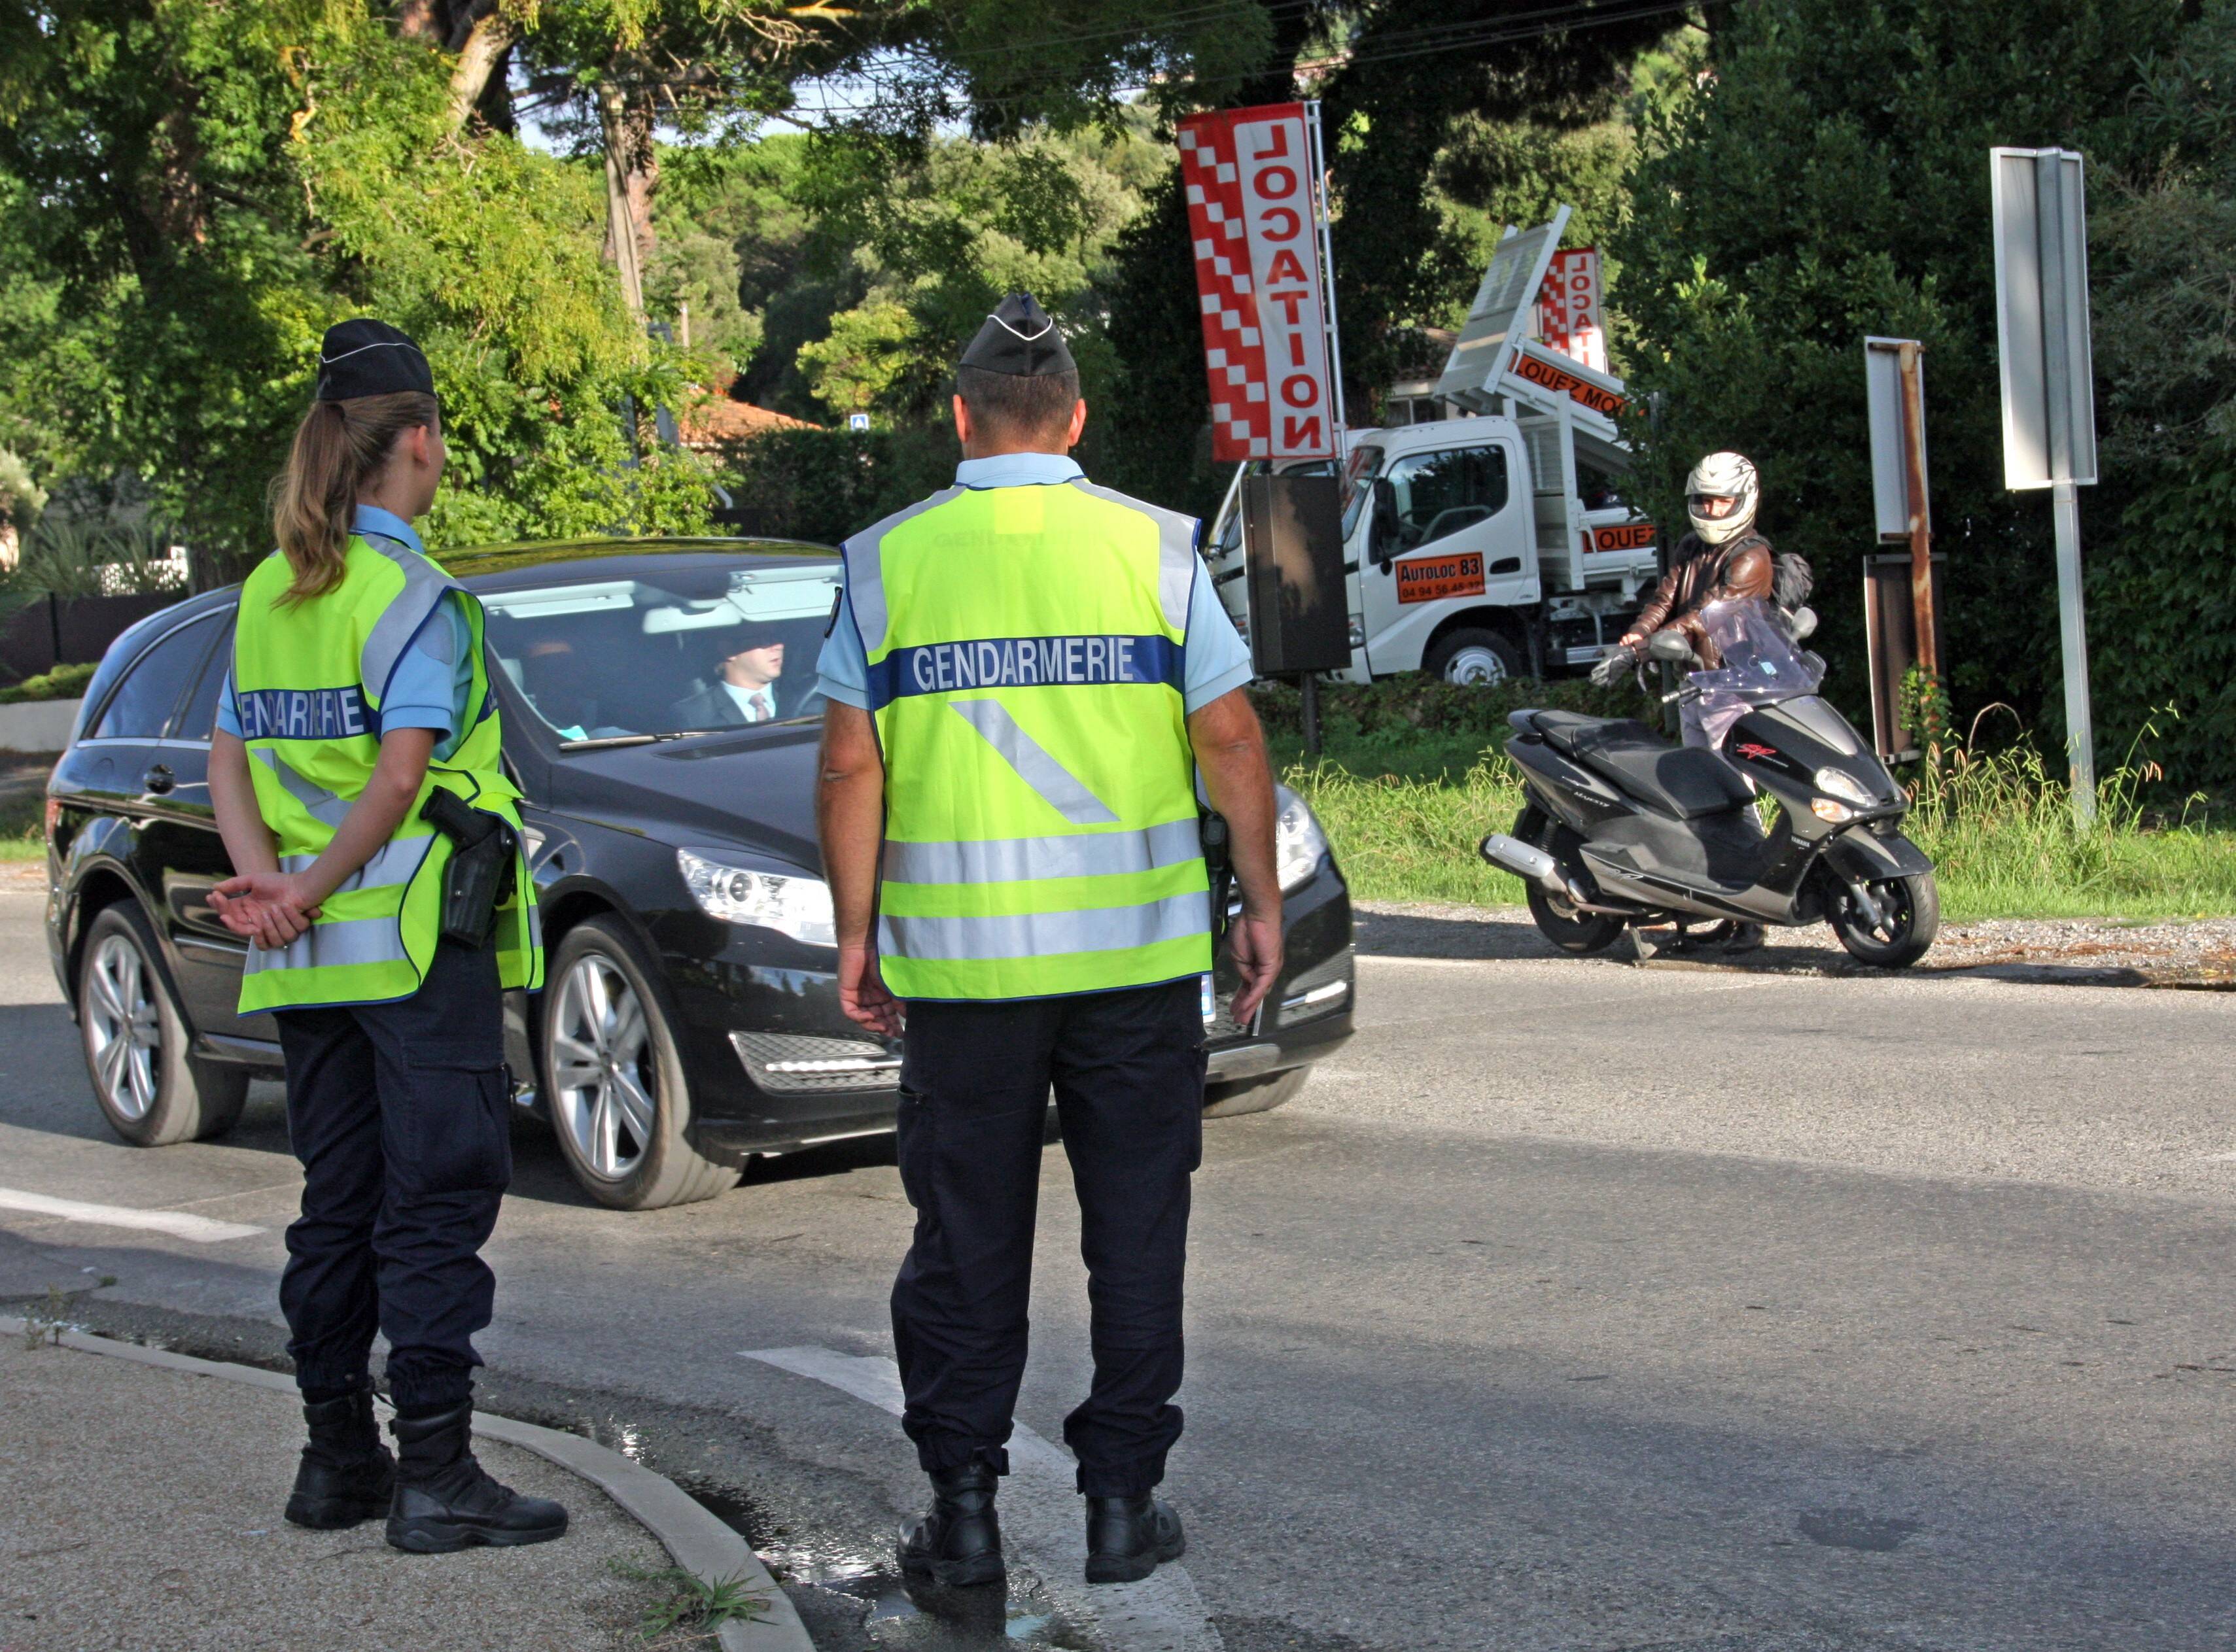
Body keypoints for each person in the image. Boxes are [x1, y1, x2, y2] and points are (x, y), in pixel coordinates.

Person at [814, 292, 1283, 1589]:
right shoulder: (1157, 548)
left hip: (963, 980)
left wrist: (855, 932)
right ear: (1073, 417)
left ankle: (962, 1520)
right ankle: (1122, 1507)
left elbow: (852, 766)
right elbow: (1230, 738)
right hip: (1132, 968)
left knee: (965, 1244)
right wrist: (1257, 900)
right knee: (1135, 1233)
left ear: (960, 419)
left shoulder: (882, 561)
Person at [205, 318, 563, 1555]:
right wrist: (310, 887)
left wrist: (270, 887)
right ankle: (439, 1477)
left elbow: (228, 755)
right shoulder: (415, 595)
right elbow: (403, 775)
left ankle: (334, 1465)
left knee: (334, 1207)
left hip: (308, 961)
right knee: (433, 1206)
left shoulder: (268, 586)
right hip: (412, 951)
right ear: (417, 441)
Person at [669, 630, 786, 727]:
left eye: (778, 637)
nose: (779, 646)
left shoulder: (799, 697)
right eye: (765, 640)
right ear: (729, 650)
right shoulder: (693, 714)